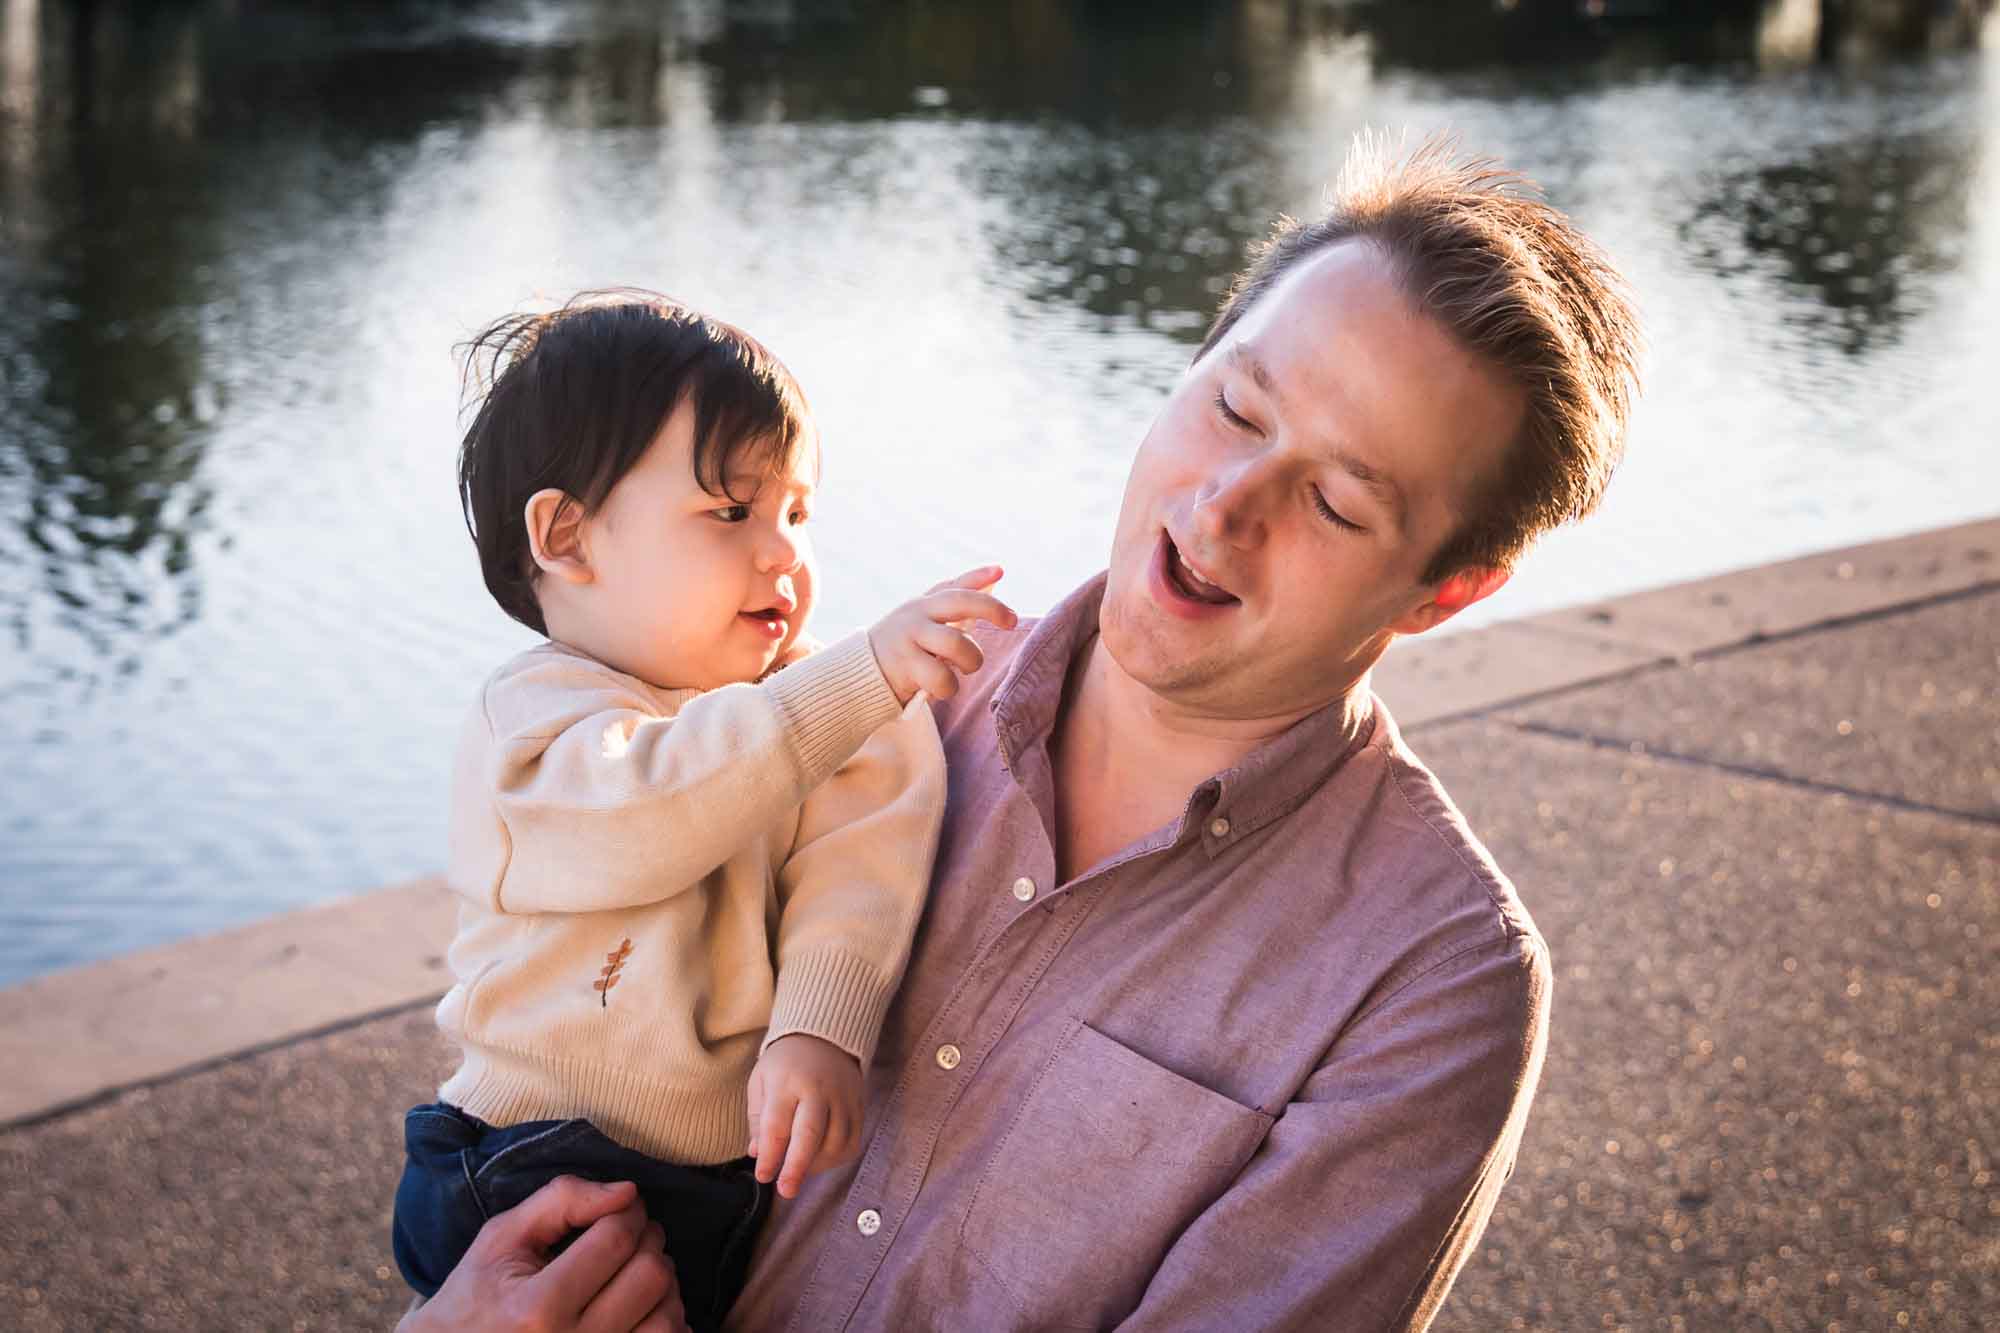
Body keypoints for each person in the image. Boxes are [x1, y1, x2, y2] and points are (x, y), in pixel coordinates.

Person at [410, 134, 1641, 1332]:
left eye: (1331, 501)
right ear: (1190, 359)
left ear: (1444, 590)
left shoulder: (1425, 978)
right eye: (1234, 409)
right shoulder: (859, 705)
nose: (1224, 507)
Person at [391, 294, 1015, 1332]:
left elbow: (862, 871)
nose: (782, 553)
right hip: (529, 1157)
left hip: (726, 1181)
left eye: (796, 513)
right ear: (567, 538)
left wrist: (820, 1023)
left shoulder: (824, 708)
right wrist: (856, 681)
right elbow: (647, 815)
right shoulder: (535, 721)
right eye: (731, 512)